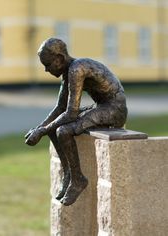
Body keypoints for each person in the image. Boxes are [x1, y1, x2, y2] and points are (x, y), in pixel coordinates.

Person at [25, 38, 127, 206]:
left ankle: (78, 179)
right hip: (101, 106)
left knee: (63, 131)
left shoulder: (77, 69)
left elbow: (71, 113)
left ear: (59, 58)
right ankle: (68, 175)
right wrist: (41, 128)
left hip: (114, 109)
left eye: (48, 64)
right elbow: (60, 108)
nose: (45, 69)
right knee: (53, 128)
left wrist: (41, 132)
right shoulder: (68, 72)